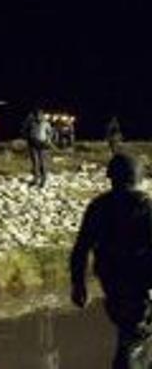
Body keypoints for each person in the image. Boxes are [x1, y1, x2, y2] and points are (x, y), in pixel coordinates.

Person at [70, 153, 152, 368]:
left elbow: (81, 248)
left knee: (130, 336)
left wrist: (79, 284)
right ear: (139, 178)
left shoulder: (98, 206)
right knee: (134, 340)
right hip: (141, 288)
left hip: (112, 284)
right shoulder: (146, 207)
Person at [22, 109, 53, 188]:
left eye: (39, 115)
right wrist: (27, 138)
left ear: (42, 115)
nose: (38, 116)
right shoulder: (31, 123)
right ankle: (35, 179)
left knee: (42, 162)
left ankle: (43, 179)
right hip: (32, 144)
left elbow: (50, 133)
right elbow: (25, 131)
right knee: (35, 162)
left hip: (42, 144)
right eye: (36, 115)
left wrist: (48, 141)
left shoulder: (46, 123)